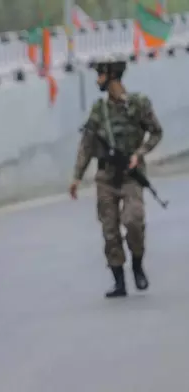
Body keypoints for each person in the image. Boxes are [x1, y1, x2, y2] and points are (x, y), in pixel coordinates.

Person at [69, 55, 163, 298]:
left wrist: (140, 154)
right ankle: (119, 280)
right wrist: (76, 176)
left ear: (112, 75)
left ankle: (138, 266)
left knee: (133, 221)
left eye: (100, 74)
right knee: (109, 230)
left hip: (131, 175)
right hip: (106, 178)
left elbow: (156, 132)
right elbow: (87, 144)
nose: (97, 79)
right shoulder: (99, 110)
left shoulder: (139, 104)